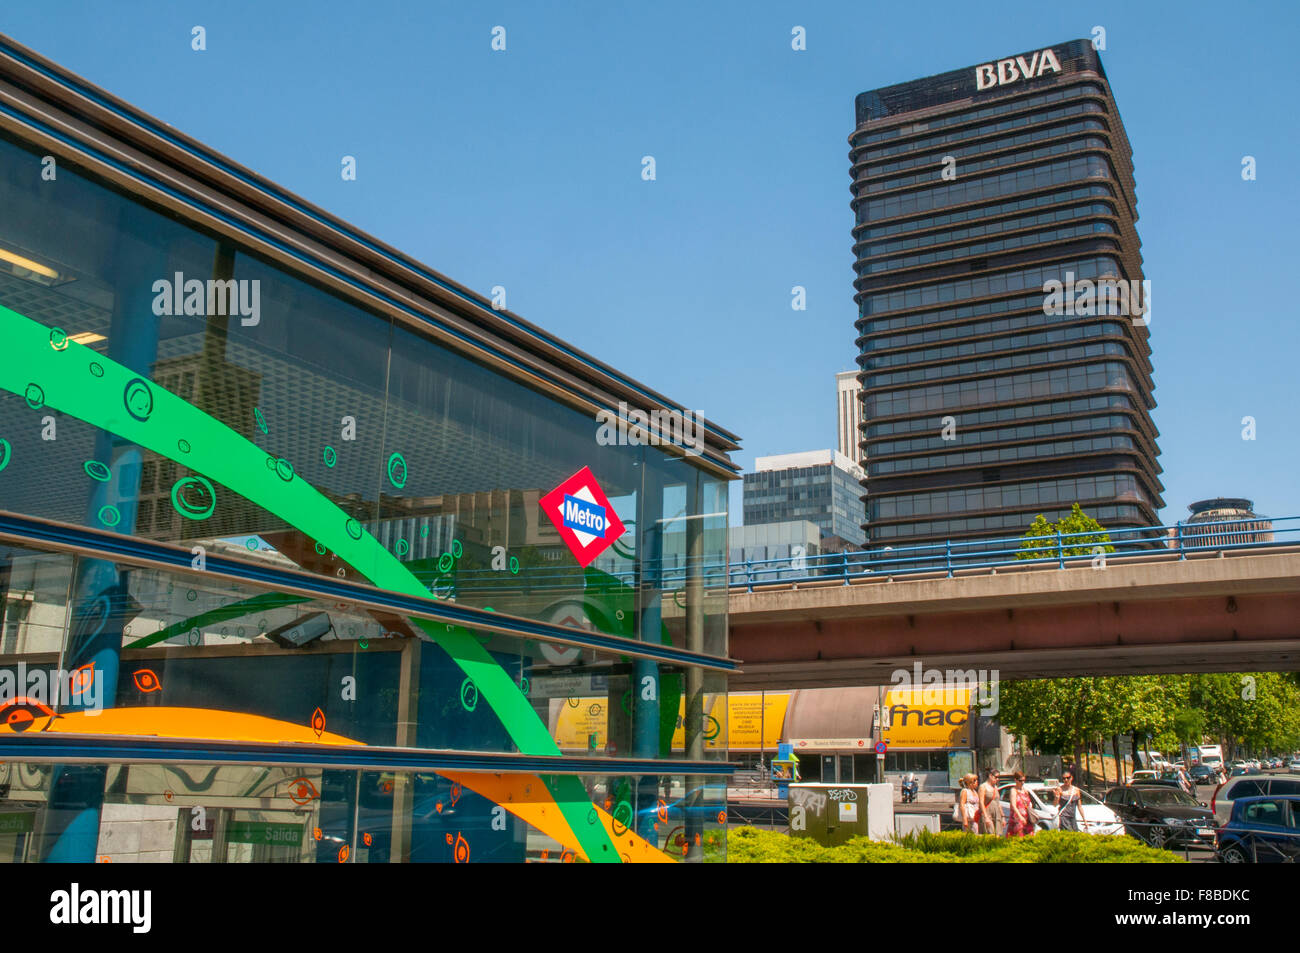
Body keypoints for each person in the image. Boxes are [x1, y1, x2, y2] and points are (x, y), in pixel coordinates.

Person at [1005, 771, 1035, 837]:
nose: (1022, 782)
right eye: (1020, 780)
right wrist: (1020, 816)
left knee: (1029, 836)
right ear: (1015, 780)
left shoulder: (1025, 791)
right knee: (1018, 836)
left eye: (1024, 780)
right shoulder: (1013, 790)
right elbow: (1013, 805)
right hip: (1017, 818)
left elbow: (1029, 803)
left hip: (1027, 818)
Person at [979, 768, 1004, 835]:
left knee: (998, 835)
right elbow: (981, 802)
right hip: (987, 813)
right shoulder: (983, 786)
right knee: (990, 834)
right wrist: (986, 817)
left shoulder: (995, 787)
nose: (997, 779)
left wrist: (1003, 817)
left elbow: (998, 803)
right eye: (996, 777)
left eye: (998, 777)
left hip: (996, 814)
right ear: (990, 776)